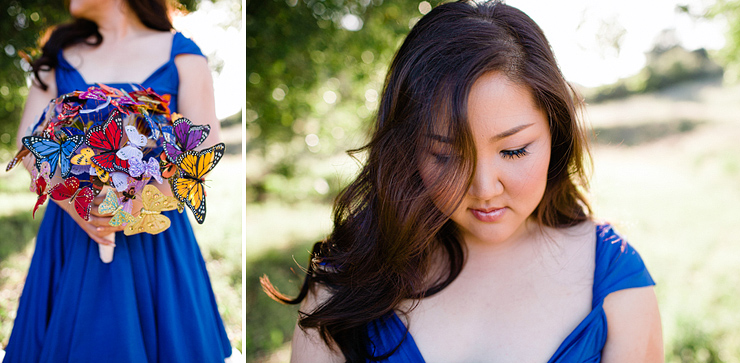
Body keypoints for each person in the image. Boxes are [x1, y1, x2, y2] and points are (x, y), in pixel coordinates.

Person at [262, 1, 663, 362]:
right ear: (408, 151)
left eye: (514, 150)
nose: (484, 188)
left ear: (555, 135)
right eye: (447, 155)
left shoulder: (614, 278)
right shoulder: (346, 281)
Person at [4, 0, 234, 362]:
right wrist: (76, 202)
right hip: (72, 228)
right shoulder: (58, 55)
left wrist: (137, 204)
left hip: (152, 238)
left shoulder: (183, 55)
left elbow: (204, 149)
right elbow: (28, 144)